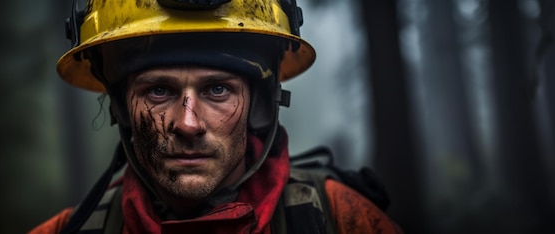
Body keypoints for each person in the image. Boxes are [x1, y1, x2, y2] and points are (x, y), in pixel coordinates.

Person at [31, 0, 402, 233]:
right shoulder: (71, 229)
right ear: (121, 107)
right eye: (158, 91)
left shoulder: (342, 218)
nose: (188, 124)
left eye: (217, 90)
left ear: (261, 103)